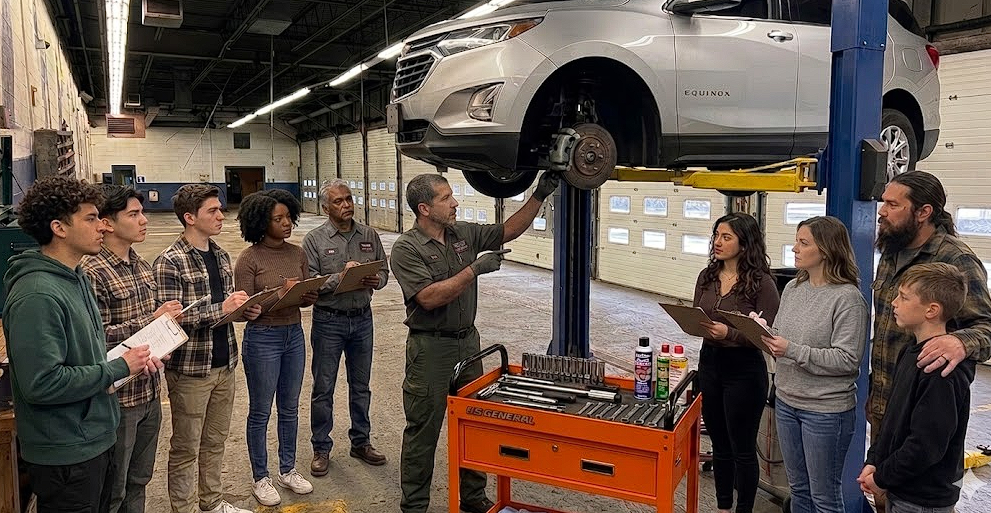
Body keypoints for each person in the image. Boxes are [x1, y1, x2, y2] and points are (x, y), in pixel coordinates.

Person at [391, 171, 559, 513]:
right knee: (424, 428)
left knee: (474, 421)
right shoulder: (406, 248)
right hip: (431, 349)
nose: (454, 203)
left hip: (468, 344)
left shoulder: (462, 233)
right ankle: (414, 505)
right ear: (424, 208)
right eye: (445, 198)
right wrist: (474, 270)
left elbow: (507, 230)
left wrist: (540, 194)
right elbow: (428, 298)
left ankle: (473, 497)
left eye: (452, 196)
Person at [3, 176, 156, 513]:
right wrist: (118, 368)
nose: (102, 226)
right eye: (90, 218)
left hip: (95, 437)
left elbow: (88, 352)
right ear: (59, 227)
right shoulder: (38, 294)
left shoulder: (76, 278)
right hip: (66, 451)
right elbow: (41, 384)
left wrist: (131, 362)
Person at [153, 184, 261, 513]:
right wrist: (223, 309)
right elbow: (170, 322)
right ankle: (183, 509)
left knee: (214, 442)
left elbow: (225, 309)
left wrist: (244, 311)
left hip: (224, 363)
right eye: (212, 210)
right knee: (186, 447)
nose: (221, 215)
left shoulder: (222, 255)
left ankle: (212, 503)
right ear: (189, 217)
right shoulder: (169, 262)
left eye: (220, 208)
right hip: (189, 371)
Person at [82, 186, 183, 513]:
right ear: (108, 223)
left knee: (139, 480)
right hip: (118, 401)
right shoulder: (92, 272)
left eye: (143, 212)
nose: (144, 220)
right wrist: (150, 320)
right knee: (114, 488)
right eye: (134, 214)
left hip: (150, 393)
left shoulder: (142, 266)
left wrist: (163, 335)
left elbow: (148, 330)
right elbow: (94, 338)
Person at [870, 171, 991, 437]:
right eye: (883, 202)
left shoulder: (956, 260)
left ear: (923, 212)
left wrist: (960, 342)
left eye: (893, 205)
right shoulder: (892, 251)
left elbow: (986, 327)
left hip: (924, 411)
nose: (882, 212)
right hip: (885, 404)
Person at [761, 216, 868, 513]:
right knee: (799, 492)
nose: (794, 248)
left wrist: (793, 350)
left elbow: (847, 360)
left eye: (803, 243)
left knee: (824, 497)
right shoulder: (795, 288)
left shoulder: (847, 299)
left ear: (826, 250)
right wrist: (763, 332)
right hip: (786, 401)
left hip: (825, 412)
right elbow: (782, 335)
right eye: (797, 240)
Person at [859, 263, 974, 513]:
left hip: (923, 499)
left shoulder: (940, 370)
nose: (894, 303)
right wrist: (875, 461)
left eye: (904, 297)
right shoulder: (910, 352)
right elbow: (892, 422)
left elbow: (926, 445)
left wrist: (882, 478)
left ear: (931, 310)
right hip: (899, 488)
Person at [692, 212, 780, 513]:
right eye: (716, 235)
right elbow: (697, 312)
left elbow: (765, 335)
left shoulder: (762, 284)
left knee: (742, 448)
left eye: (726, 237)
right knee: (720, 444)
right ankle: (723, 507)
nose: (717, 242)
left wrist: (729, 332)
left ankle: (743, 509)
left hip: (744, 369)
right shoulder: (706, 277)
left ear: (744, 244)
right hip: (710, 362)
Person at [303, 179, 390, 475]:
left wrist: (377, 280)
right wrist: (342, 276)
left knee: (361, 385)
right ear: (326, 208)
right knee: (323, 387)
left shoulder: (368, 234)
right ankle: (321, 447)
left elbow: (384, 272)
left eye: (349, 199)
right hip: (329, 320)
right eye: (338, 202)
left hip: (363, 319)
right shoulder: (314, 240)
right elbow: (310, 281)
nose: (346, 205)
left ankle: (361, 441)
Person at [234, 190, 316, 505]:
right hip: (263, 339)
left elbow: (309, 294)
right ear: (260, 222)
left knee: (290, 407)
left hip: (293, 334)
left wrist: (308, 294)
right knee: (260, 410)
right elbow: (243, 309)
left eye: (287, 217)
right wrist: (277, 295)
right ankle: (260, 477)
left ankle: (287, 469)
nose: (286, 224)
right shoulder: (249, 258)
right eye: (277, 219)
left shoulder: (297, 253)